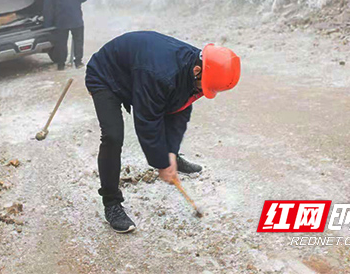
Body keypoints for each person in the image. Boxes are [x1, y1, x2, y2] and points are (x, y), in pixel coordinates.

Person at [86, 31, 241, 233]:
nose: (203, 91)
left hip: (138, 73)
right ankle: (111, 204)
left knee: (169, 104)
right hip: (106, 75)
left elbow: (180, 108)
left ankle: (173, 157)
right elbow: (147, 119)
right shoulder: (161, 74)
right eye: (202, 86)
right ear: (196, 70)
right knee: (112, 136)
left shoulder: (201, 68)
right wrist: (160, 163)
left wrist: (169, 153)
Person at [43, 0, 88, 70]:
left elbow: (48, 8)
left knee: (61, 43)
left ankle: (61, 65)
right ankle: (78, 62)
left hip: (61, 21)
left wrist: (47, 25)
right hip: (76, 18)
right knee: (78, 40)